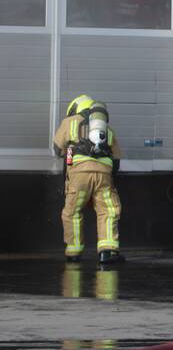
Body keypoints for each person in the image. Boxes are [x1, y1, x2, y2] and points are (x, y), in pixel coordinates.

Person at [53, 95, 124, 264]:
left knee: (73, 211)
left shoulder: (69, 122)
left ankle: (74, 251)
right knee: (108, 210)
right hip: (104, 175)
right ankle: (108, 252)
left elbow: (57, 149)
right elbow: (116, 159)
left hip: (79, 175)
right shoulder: (106, 128)